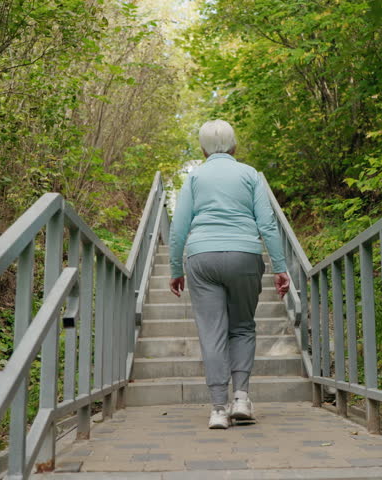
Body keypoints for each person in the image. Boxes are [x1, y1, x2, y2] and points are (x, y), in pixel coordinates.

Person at [169, 120, 290, 429]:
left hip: (202, 257)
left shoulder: (194, 177)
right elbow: (267, 224)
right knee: (243, 327)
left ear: (202, 148)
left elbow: (178, 228)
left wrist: (175, 269)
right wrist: (279, 267)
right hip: (244, 255)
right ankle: (241, 398)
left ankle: (218, 409)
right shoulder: (250, 174)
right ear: (235, 146)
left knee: (212, 332)